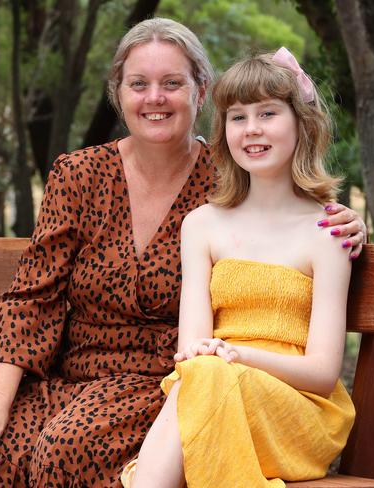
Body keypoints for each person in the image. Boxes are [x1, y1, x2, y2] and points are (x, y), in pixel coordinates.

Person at [0, 19, 365, 488]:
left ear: (200, 92)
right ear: (118, 94)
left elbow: (285, 205)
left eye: (172, 83)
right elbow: (31, 296)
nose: (154, 98)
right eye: (138, 84)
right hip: (77, 378)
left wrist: (348, 221)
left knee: (70, 449)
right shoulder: (81, 176)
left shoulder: (226, 180)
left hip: (163, 384)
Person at [123, 49, 356, 488]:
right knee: (201, 377)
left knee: (204, 380)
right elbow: (192, 348)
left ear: (301, 123)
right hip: (212, 388)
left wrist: (239, 357)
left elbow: (324, 375)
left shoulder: (328, 231)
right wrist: (220, 363)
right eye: (237, 117)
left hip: (297, 410)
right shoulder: (202, 225)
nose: (251, 130)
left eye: (267, 113)